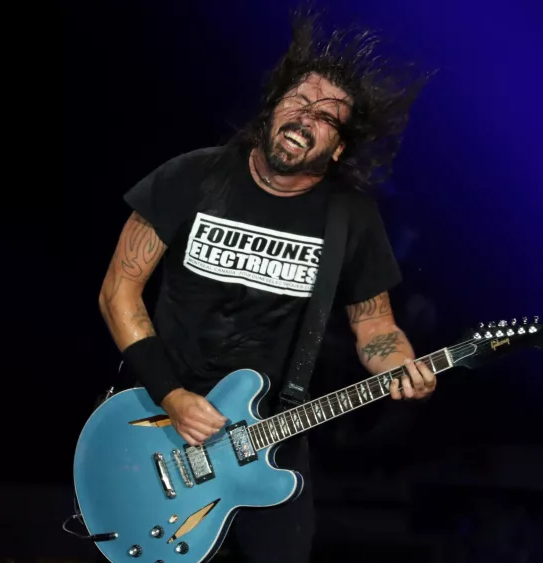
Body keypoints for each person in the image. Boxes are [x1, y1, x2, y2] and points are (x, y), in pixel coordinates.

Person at [96, 6, 434, 562]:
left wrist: (399, 363)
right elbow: (119, 291)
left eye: (326, 115)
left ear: (341, 146)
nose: (305, 116)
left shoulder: (349, 219)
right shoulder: (192, 176)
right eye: (298, 100)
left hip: (272, 439)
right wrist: (172, 396)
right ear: (273, 108)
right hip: (158, 423)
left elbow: (374, 324)